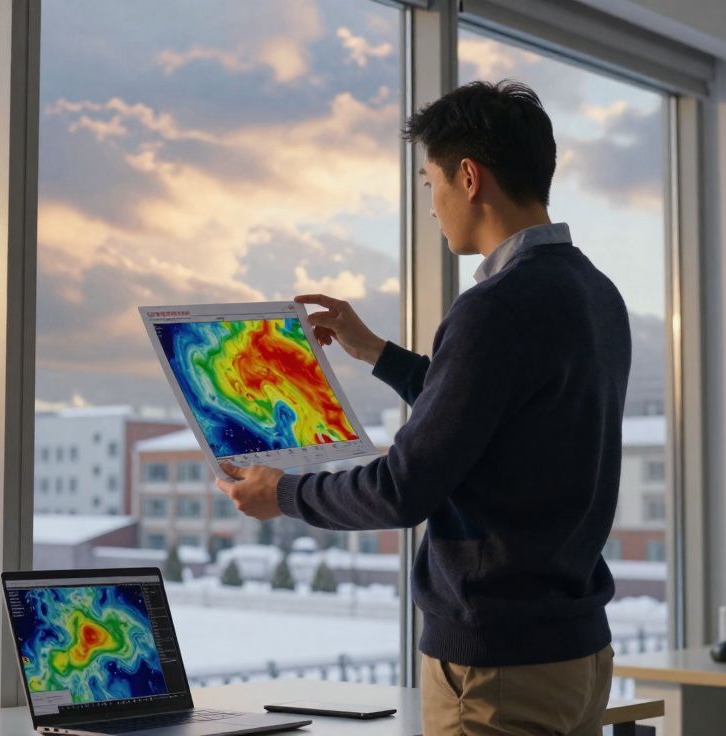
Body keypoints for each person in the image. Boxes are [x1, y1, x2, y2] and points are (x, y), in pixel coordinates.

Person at [216, 80, 630, 736]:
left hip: (499, 668)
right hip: (577, 656)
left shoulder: (494, 311)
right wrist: (376, 352)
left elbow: (403, 489)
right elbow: (493, 413)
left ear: (469, 177)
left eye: (430, 182)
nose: (432, 207)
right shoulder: (594, 294)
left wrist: (284, 495)